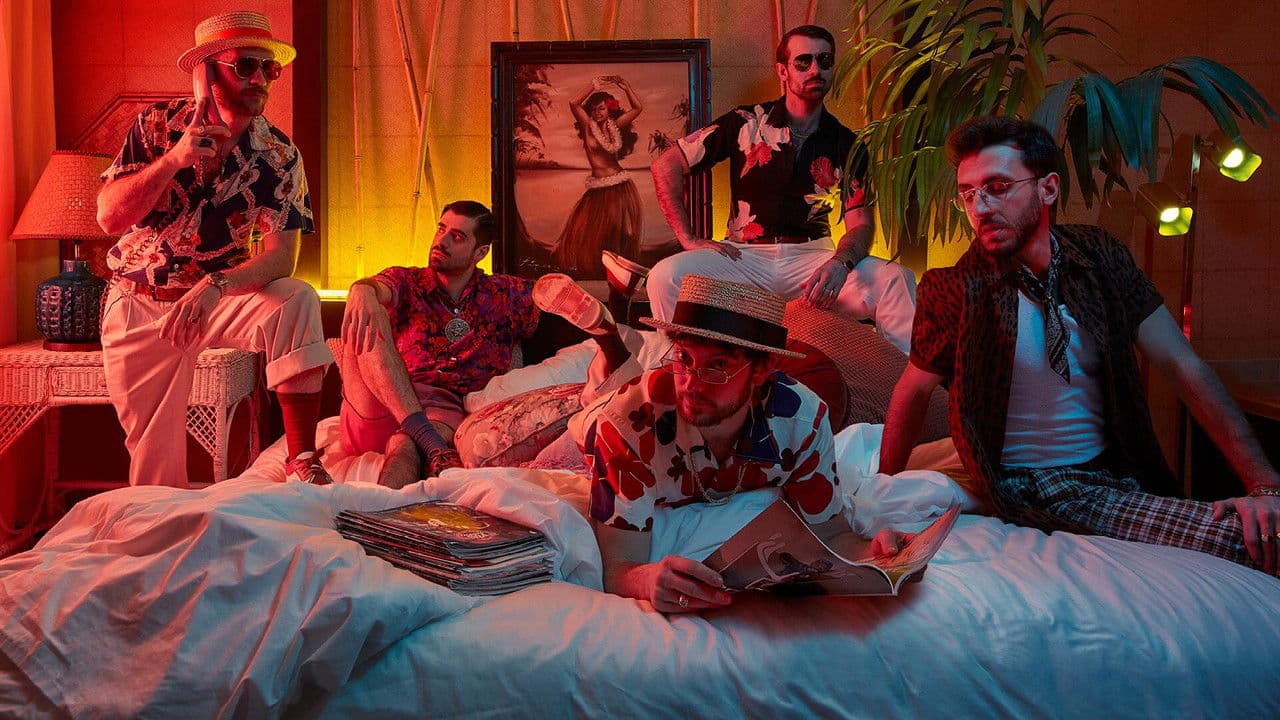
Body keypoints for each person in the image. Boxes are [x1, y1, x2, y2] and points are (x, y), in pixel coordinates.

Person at [878, 115, 1280, 576]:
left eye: (998, 187)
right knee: (1249, 542)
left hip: (1115, 472)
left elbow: (1181, 364)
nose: (981, 207)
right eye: (968, 194)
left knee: (1265, 528)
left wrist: (1264, 485)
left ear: (1048, 189)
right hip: (1036, 486)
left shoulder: (1099, 256)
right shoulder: (954, 288)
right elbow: (912, 392)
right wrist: (882, 501)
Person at [533, 272, 904, 612]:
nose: (692, 383)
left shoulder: (804, 421)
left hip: (650, 417)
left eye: (717, 366)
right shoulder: (623, 427)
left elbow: (831, 533)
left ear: (762, 370)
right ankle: (607, 340)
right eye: (684, 358)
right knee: (542, 427)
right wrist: (647, 580)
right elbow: (618, 567)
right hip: (590, 434)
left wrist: (873, 552)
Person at [96, 11, 332, 486]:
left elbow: (282, 257)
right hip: (142, 304)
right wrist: (175, 159)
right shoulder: (155, 125)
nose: (260, 79)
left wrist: (215, 285)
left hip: (217, 301)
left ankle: (302, 458)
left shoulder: (280, 154)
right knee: (156, 477)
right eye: (245, 66)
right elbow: (109, 218)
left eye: (269, 68)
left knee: (297, 297)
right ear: (206, 71)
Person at [648, 25, 918, 353]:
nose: (815, 69)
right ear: (783, 71)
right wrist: (688, 238)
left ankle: (900, 381)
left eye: (825, 60)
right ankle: (680, 369)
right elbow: (666, 165)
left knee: (896, 280)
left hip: (813, 258)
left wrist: (840, 263)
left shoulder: (848, 143)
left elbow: (860, 224)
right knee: (665, 276)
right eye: (803, 61)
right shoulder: (745, 122)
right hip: (743, 258)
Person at [339, 201, 540, 487]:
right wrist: (361, 289)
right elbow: (377, 287)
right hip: (376, 404)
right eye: (441, 229)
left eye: (456, 237)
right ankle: (427, 439)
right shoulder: (407, 281)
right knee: (371, 312)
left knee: (405, 445)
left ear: (481, 252)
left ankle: (385, 507)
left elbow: (558, 297)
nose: (441, 241)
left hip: (442, 411)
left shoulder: (504, 294)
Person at [550, 75, 644, 278]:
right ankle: (593, 268)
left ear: (609, 109)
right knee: (586, 228)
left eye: (601, 108)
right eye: (594, 109)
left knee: (618, 230)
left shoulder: (615, 125)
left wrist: (627, 87)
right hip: (597, 187)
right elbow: (573, 103)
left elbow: (638, 108)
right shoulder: (587, 125)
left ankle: (619, 271)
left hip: (619, 185)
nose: (597, 113)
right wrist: (593, 84)